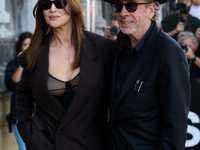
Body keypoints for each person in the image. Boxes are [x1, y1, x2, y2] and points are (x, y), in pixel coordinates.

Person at [16, 0, 118, 150]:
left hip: (92, 144)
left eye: (59, 3)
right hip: (47, 144)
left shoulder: (104, 48)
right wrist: (29, 131)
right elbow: (23, 93)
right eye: (46, 4)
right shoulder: (34, 53)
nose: (52, 9)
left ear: (73, 6)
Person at [103, 0, 190, 149]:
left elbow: (175, 127)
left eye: (131, 5)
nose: (123, 12)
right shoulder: (119, 46)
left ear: (151, 10)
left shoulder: (169, 52)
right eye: (118, 5)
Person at [5, 31, 32, 150]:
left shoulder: (41, 63)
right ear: (20, 46)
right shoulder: (13, 64)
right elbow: (12, 83)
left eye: (30, 45)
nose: (27, 48)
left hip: (39, 114)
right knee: (23, 148)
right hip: (19, 114)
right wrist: (23, 62)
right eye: (25, 45)